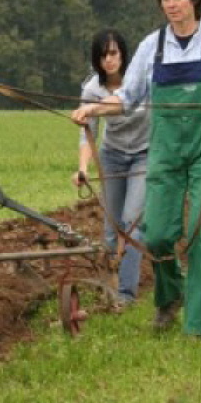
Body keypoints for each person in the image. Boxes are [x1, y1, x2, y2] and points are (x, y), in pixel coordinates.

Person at [72, 0, 201, 337]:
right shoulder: (152, 46)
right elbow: (127, 98)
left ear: (194, 0)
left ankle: (197, 329)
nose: (171, 5)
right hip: (166, 151)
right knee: (155, 233)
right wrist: (94, 108)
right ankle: (170, 295)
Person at [72, 29, 149, 306]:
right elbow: (87, 132)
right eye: (102, 55)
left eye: (113, 53)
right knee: (110, 227)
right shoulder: (92, 89)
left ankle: (126, 295)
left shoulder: (139, 82)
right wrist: (83, 168)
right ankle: (108, 291)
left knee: (131, 223)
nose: (108, 60)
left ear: (123, 54)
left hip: (144, 154)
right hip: (113, 155)